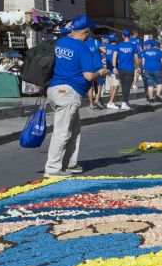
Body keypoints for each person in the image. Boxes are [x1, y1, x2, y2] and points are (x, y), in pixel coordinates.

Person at [43, 15, 104, 178]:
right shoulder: (82, 48)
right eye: (88, 32)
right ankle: (53, 168)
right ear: (84, 31)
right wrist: (101, 72)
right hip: (69, 92)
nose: (89, 35)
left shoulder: (61, 42)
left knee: (75, 129)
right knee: (62, 131)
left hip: (55, 88)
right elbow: (89, 76)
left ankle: (70, 163)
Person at [111, 31, 139, 110]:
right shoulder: (133, 46)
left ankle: (125, 101)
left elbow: (114, 57)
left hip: (121, 69)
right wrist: (138, 66)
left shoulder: (118, 46)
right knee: (127, 87)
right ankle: (124, 103)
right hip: (129, 69)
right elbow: (136, 58)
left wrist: (114, 67)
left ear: (123, 36)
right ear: (130, 36)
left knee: (123, 86)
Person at [140, 39, 162, 103]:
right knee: (159, 83)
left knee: (150, 85)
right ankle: (157, 96)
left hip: (148, 70)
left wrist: (143, 68)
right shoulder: (159, 52)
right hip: (157, 69)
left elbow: (143, 61)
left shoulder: (145, 52)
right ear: (157, 46)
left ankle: (151, 99)